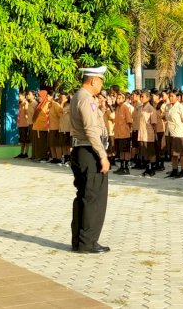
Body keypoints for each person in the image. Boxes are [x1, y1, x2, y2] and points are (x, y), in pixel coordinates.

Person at [69, 66, 110, 254]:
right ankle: (88, 242)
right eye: (100, 81)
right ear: (93, 81)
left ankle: (79, 240)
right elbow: (91, 130)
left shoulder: (79, 97)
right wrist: (102, 155)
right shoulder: (86, 99)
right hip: (88, 151)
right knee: (94, 198)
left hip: (81, 149)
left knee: (84, 197)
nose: (101, 84)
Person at [164, 89, 183, 179]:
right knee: (173, 153)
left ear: (178, 97)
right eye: (169, 96)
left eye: (172, 96)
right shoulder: (168, 107)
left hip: (178, 133)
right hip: (170, 132)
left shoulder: (181, 107)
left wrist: (182, 130)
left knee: (181, 153)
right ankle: (174, 170)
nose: (170, 98)